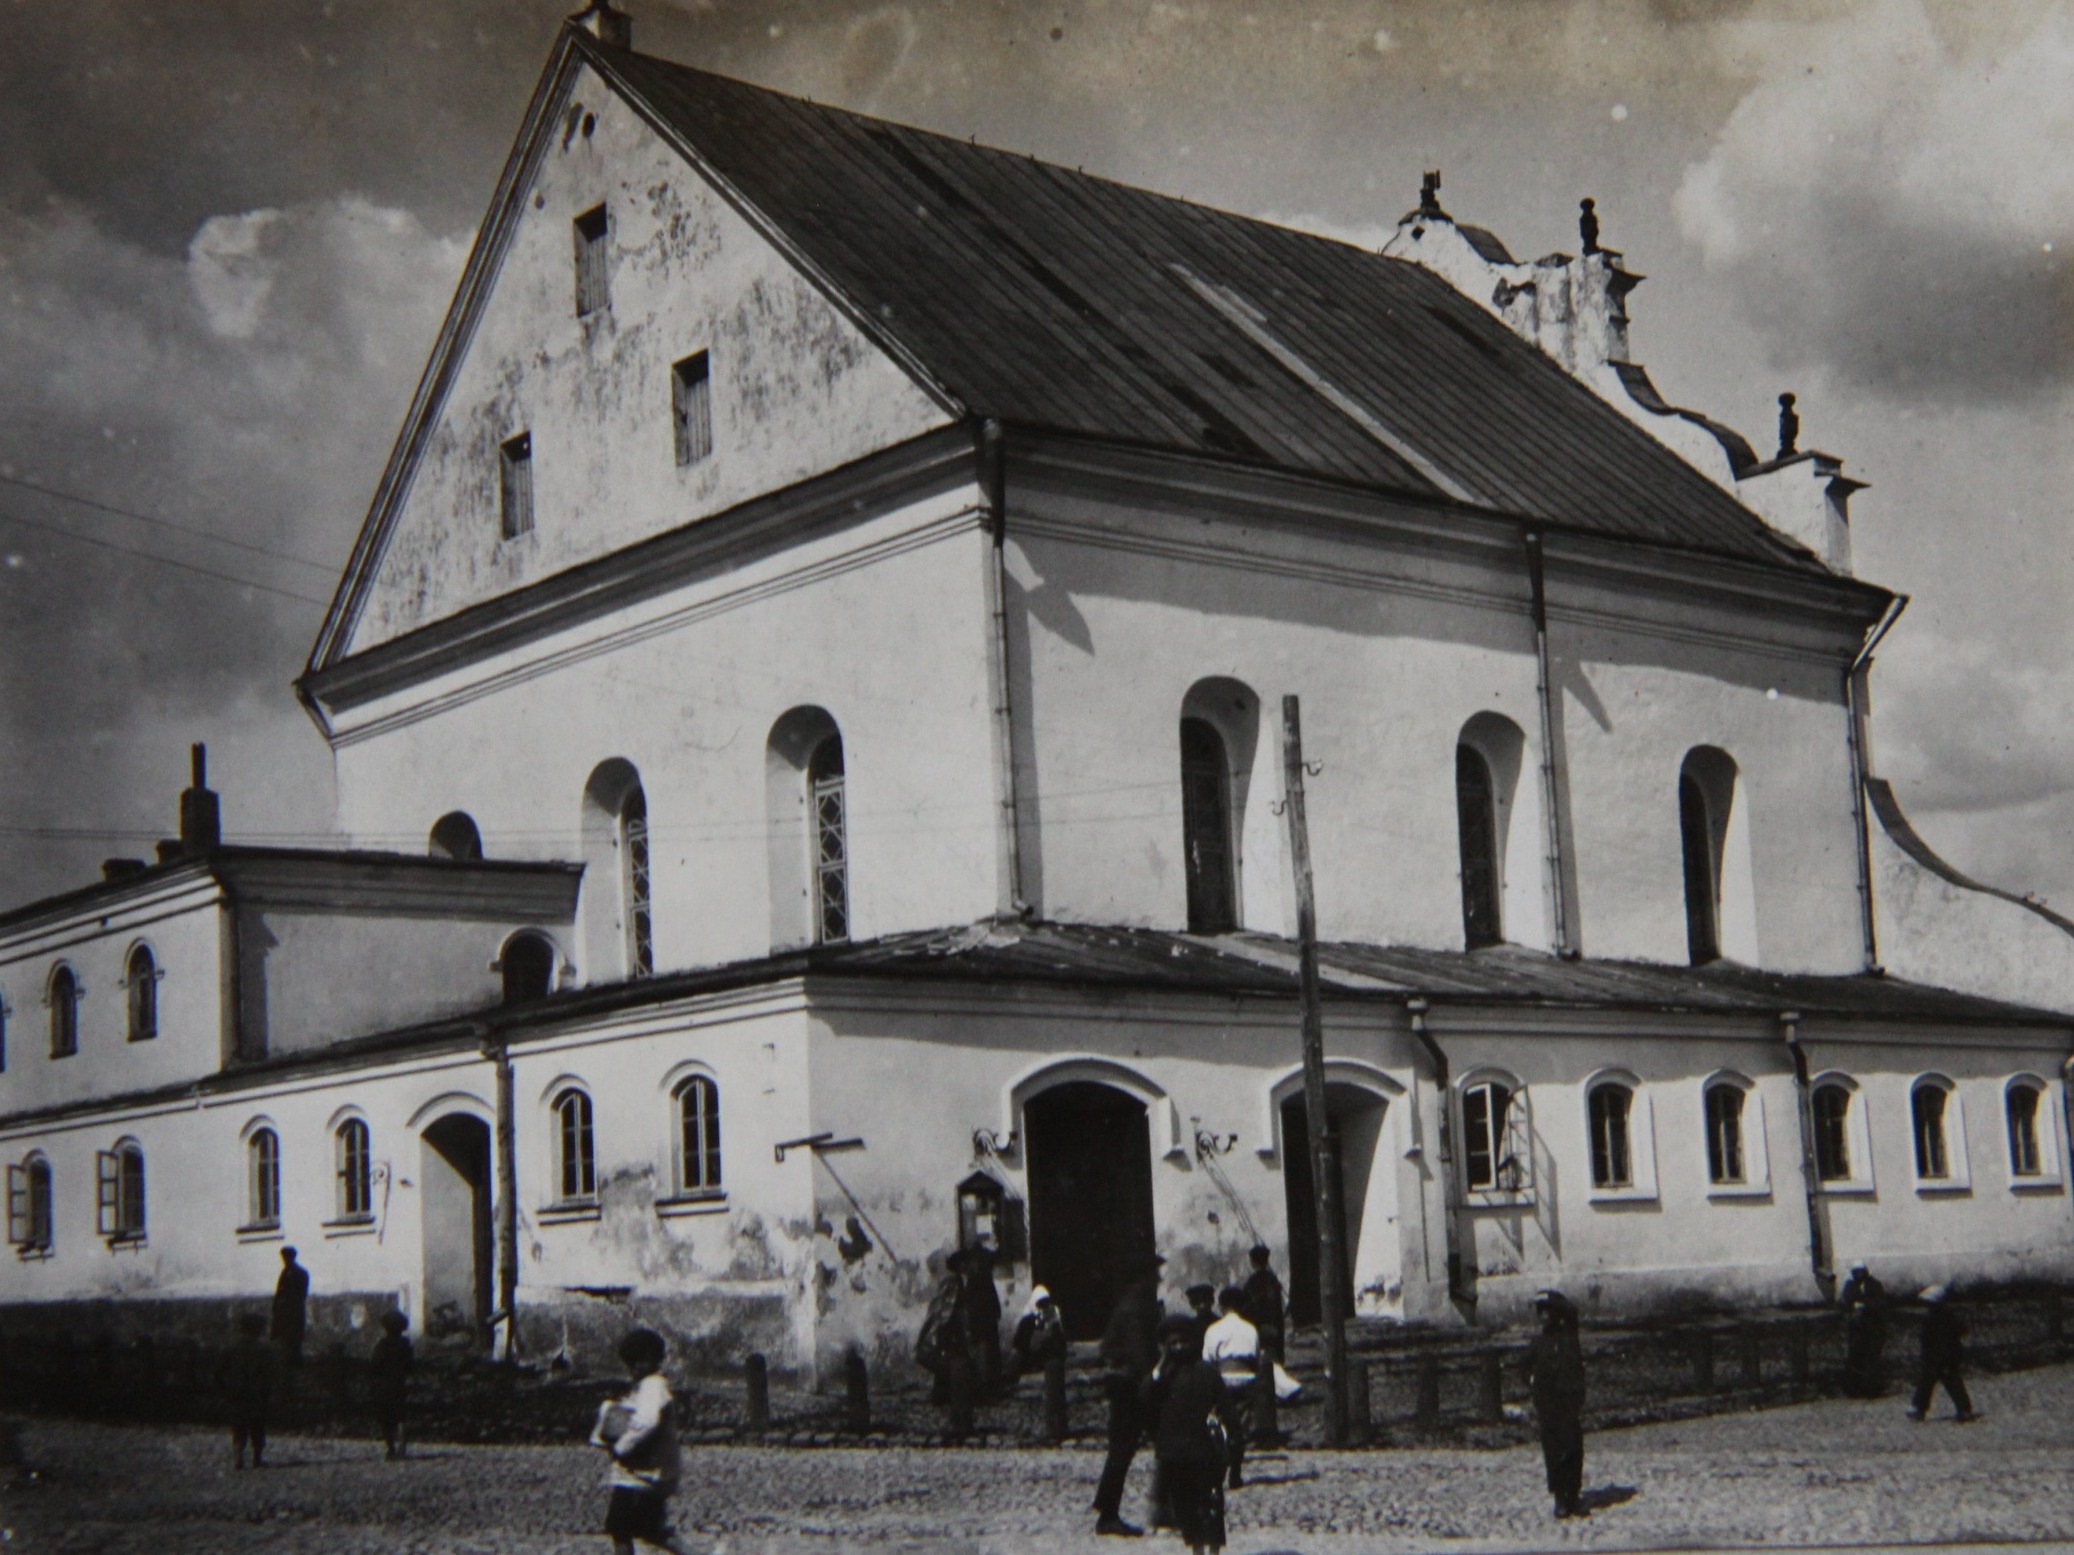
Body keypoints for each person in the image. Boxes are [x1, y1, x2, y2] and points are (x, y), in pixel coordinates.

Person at [1144, 1314, 1242, 1555]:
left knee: (1210, 1505)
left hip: (1203, 1450)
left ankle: (1214, 1550)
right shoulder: (1162, 1377)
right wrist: (1159, 1368)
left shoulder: (1206, 1373)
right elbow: (1145, 1400)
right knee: (1184, 1508)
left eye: (1183, 1342)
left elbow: (1227, 1411)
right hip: (1173, 1453)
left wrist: (1235, 1448)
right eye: (1173, 1343)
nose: (1179, 1347)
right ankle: (1196, 1549)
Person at [589, 1327, 690, 1554]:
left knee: (620, 1528)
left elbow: (646, 1422)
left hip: (640, 1475)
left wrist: (621, 1447)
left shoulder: (653, 1387)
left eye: (639, 1362)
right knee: (652, 1530)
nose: (634, 1369)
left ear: (654, 1360)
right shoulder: (648, 1387)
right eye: (630, 1364)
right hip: (647, 1473)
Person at [1092, 1253, 1164, 1538]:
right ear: (1142, 1278)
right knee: (1126, 1450)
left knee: (1139, 1447)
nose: (1159, 1279)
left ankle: (1164, 1508)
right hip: (1130, 1389)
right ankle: (1109, 1515)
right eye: (1154, 1274)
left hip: (1127, 1386)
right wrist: (1154, 1383)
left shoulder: (1132, 1304)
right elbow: (1140, 1355)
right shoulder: (1135, 1307)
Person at [1525, 1288, 1587, 1520]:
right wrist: (1532, 1386)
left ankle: (1574, 1494)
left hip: (1569, 1400)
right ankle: (1560, 1497)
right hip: (1548, 1403)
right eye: (1541, 1312)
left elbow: (1572, 1312)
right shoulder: (1538, 1343)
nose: (1543, 1317)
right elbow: (1523, 1366)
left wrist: (1556, 1300)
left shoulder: (1570, 1335)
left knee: (1572, 1447)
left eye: (1548, 1312)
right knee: (1553, 1449)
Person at [1199, 1287, 1259, 1489]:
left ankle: (1218, 1468)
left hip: (1222, 1378)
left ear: (1222, 1306)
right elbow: (1256, 1357)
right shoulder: (1250, 1329)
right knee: (1240, 1426)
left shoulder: (1214, 1329)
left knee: (1218, 1423)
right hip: (1245, 1377)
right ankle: (1236, 1472)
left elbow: (1208, 1360)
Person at [915, 1249, 977, 1438]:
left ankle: (949, 1408)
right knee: (958, 1370)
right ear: (961, 1265)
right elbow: (941, 1310)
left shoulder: (957, 1280)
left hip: (950, 1331)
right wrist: (926, 1334)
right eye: (966, 1263)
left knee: (953, 1371)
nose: (969, 1266)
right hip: (950, 1332)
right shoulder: (953, 1281)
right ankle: (958, 1418)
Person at [1908, 1285, 1978, 1423]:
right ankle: (1963, 1410)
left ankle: (1919, 1409)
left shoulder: (1931, 1318)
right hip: (1948, 1355)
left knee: (1931, 1382)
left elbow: (1926, 1339)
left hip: (1938, 1356)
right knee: (1950, 1382)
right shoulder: (1948, 1315)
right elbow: (1962, 1329)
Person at [217, 1313, 276, 1469]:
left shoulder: (230, 1349)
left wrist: (225, 1390)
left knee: (238, 1426)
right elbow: (272, 1373)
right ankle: (257, 1458)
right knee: (258, 1426)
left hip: (237, 1394)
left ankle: (239, 1457)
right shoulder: (265, 1351)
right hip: (257, 1394)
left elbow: (219, 1373)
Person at [368, 1309, 414, 1460]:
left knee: (386, 1418)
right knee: (401, 1416)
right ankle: (402, 1447)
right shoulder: (406, 1345)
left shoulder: (382, 1345)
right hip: (400, 1383)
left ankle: (391, 1448)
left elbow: (375, 1365)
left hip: (384, 1384)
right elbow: (410, 1365)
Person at [1838, 1261, 1888, 1397]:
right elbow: (1845, 1302)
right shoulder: (1850, 1286)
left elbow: (1880, 1302)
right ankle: (1854, 1389)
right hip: (1857, 1329)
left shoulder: (1874, 1285)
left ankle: (1872, 1389)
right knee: (1855, 1357)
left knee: (1872, 1358)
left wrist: (1865, 1305)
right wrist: (1853, 1307)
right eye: (1856, 1272)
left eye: (1861, 1271)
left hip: (1872, 1326)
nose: (1859, 1274)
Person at [964, 1241, 1005, 1398]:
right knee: (988, 1349)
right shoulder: (985, 1269)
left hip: (978, 1312)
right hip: (986, 1311)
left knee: (982, 1348)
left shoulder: (972, 1276)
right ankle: (989, 1386)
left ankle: (985, 1386)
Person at [1009, 1285, 1067, 1382]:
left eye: (1046, 1303)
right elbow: (1020, 1344)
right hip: (1030, 1357)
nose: (1044, 1307)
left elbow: (1059, 1338)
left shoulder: (1053, 1315)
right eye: (1041, 1304)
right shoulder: (1027, 1320)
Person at [1239, 1247, 1285, 1363]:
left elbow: (1245, 1307)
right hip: (1274, 1326)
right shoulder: (1273, 1280)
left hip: (1257, 1327)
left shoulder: (1252, 1282)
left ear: (1252, 1262)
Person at [270, 1246, 310, 1368]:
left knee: (292, 1343)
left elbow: (299, 1295)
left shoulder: (298, 1273)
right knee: (287, 1343)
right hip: (286, 1314)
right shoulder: (287, 1272)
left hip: (292, 1315)